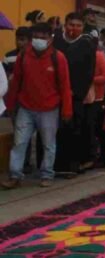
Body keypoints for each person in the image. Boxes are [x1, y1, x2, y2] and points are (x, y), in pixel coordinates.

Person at [2, 23, 72, 189]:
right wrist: (10, 105)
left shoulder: (58, 58)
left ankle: (47, 174)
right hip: (25, 108)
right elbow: (16, 81)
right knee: (19, 143)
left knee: (49, 144)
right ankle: (15, 176)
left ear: (50, 39)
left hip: (50, 109)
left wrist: (67, 110)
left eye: (43, 37)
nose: (39, 40)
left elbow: (65, 86)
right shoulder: (24, 55)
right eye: (36, 37)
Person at [53, 12, 96, 177]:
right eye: (71, 25)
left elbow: (89, 72)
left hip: (75, 95)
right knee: (54, 130)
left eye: (78, 26)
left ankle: (72, 166)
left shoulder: (87, 44)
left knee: (74, 130)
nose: (74, 29)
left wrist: (76, 91)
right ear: (66, 24)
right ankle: (53, 166)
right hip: (55, 94)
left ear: (82, 28)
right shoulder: (56, 41)